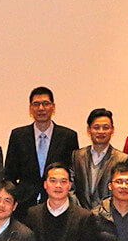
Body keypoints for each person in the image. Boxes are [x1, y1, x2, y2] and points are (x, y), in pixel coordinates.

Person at [5, 86, 79, 215]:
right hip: (24, 205)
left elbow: (72, 173)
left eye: (45, 103)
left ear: (53, 107)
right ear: (30, 108)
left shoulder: (68, 136)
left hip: (57, 204)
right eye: (36, 104)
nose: (41, 108)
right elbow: (9, 174)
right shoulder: (18, 135)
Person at [72, 108, 128, 210]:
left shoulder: (122, 159)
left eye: (105, 128)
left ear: (112, 130)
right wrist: (80, 211)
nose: (101, 131)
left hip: (109, 215)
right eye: (96, 127)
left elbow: (122, 191)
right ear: (89, 130)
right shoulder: (77, 156)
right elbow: (70, 188)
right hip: (81, 214)